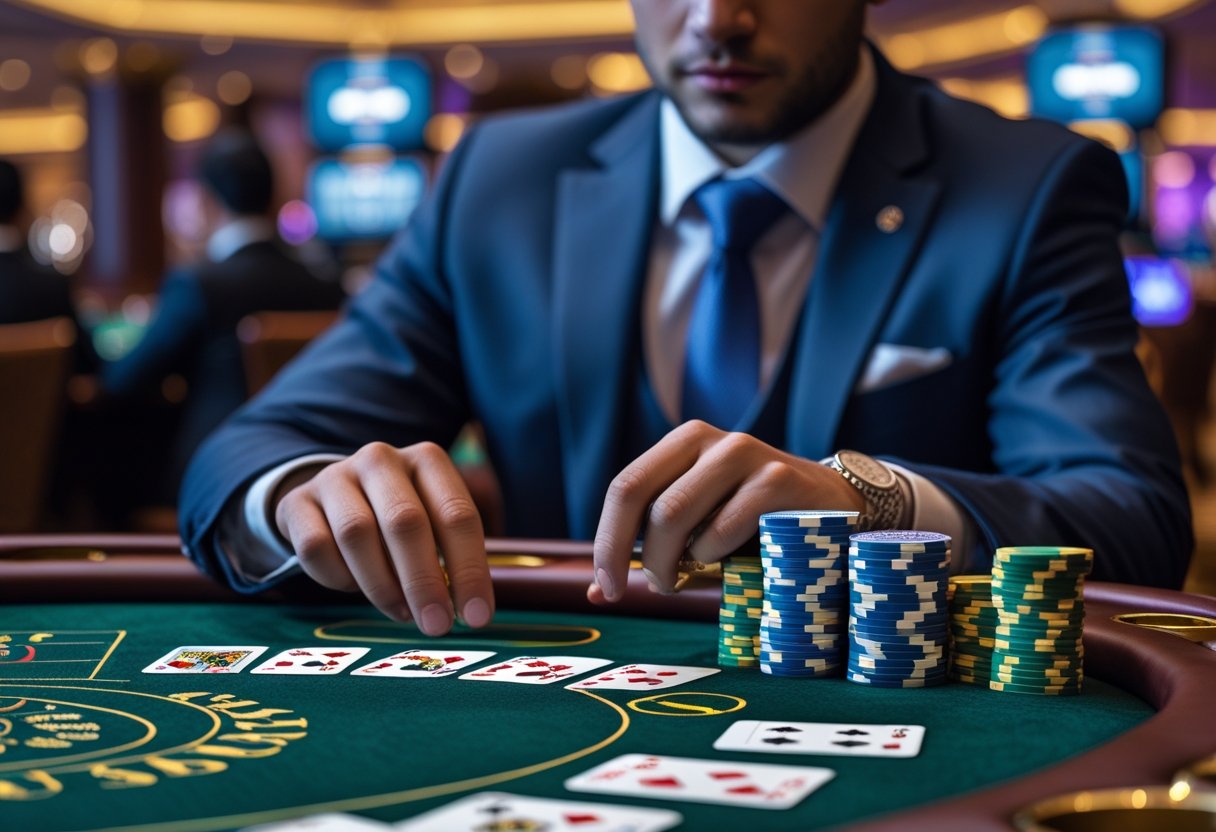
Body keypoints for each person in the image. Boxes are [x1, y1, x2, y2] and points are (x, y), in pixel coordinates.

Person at [180, 0, 1192, 637]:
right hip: (558, 701)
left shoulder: (1027, 186)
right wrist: (310, 492)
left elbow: (1130, 516)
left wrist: (871, 498)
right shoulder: (497, 181)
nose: (718, 17)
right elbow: (249, 453)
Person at [102, 128, 346, 491]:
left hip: (217, 479)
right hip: (316, 475)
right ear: (273, 197)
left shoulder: (198, 284)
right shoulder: (327, 285)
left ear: (205, 201)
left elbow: (124, 381)